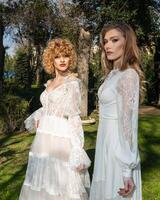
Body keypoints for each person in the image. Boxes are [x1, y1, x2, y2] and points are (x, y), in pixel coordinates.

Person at [19, 38, 91, 200]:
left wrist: (77, 149)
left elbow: (73, 117)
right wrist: (40, 117)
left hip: (61, 137)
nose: (62, 60)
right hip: (43, 138)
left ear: (70, 57)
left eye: (65, 55)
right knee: (42, 181)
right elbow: (48, 107)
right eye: (58, 56)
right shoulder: (50, 82)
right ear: (51, 59)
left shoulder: (72, 83)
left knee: (60, 183)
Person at [89, 22, 145, 200]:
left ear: (126, 42)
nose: (107, 46)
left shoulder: (128, 75)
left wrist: (126, 169)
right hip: (105, 141)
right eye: (105, 41)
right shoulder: (113, 74)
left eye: (114, 40)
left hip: (116, 147)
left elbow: (127, 124)